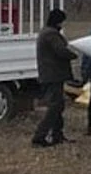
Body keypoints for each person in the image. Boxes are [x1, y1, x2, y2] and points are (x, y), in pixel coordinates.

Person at [31, 8, 76, 147]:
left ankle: (57, 135)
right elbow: (61, 51)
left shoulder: (45, 32)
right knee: (55, 106)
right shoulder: (51, 34)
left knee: (58, 105)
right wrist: (74, 54)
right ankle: (40, 136)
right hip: (54, 75)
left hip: (49, 75)